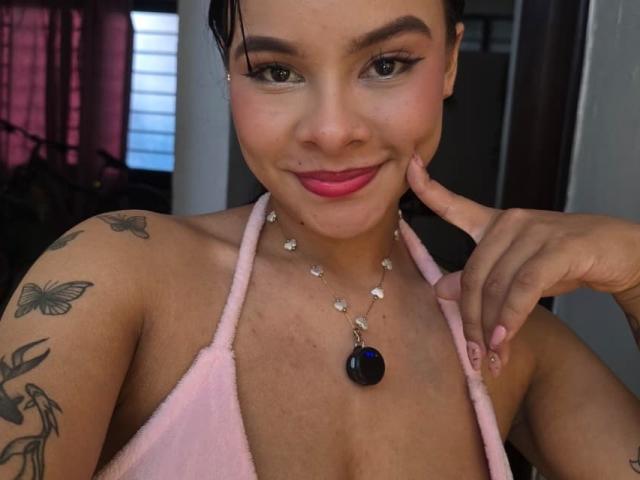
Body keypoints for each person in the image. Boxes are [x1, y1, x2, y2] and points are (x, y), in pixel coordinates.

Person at [0, 0, 638, 478]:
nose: (332, 132)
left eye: (386, 64)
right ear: (229, 73)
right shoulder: (112, 277)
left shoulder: (508, 340)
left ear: (449, 63)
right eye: (276, 71)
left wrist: (636, 271)